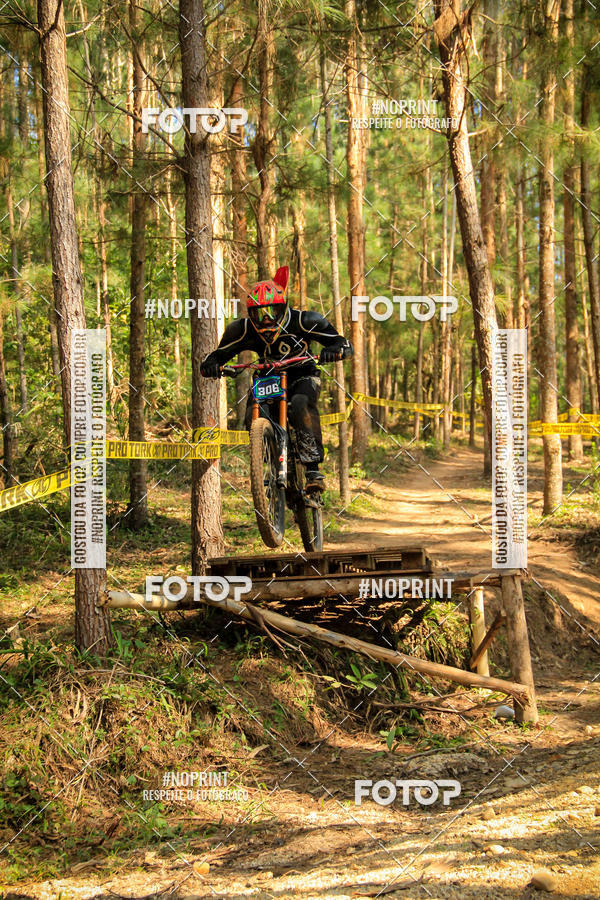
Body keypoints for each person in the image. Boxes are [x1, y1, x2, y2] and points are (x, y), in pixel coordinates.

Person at [200, 265, 352, 491]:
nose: (267, 319)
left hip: (303, 374)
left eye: (272, 311)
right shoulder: (241, 330)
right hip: (268, 378)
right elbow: (217, 356)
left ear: (283, 309)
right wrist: (212, 366)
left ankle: (312, 470)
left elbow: (342, 343)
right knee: (254, 414)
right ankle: (269, 461)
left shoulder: (305, 321)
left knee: (300, 404)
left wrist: (335, 351)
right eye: (260, 313)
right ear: (251, 314)